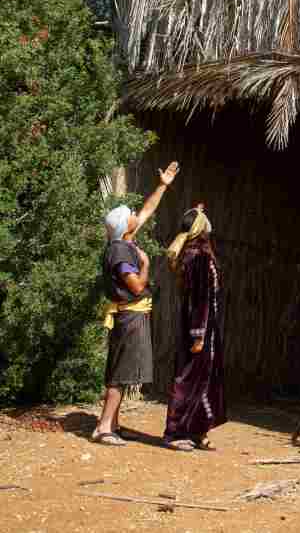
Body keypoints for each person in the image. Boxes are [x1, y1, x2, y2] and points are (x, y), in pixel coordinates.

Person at [92, 161, 180, 445]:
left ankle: (113, 424)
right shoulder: (120, 251)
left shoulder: (124, 240)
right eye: (129, 215)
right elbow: (137, 285)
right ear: (123, 227)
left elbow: (146, 210)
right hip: (129, 317)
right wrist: (144, 263)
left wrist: (163, 185)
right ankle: (104, 427)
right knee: (121, 372)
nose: (134, 215)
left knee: (122, 369)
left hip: (131, 316)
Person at [162, 205, 227, 451]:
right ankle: (175, 432)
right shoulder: (198, 256)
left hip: (203, 329)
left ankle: (197, 431)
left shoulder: (193, 253)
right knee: (188, 379)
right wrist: (198, 334)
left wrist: (195, 212)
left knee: (204, 380)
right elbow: (199, 299)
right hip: (199, 329)